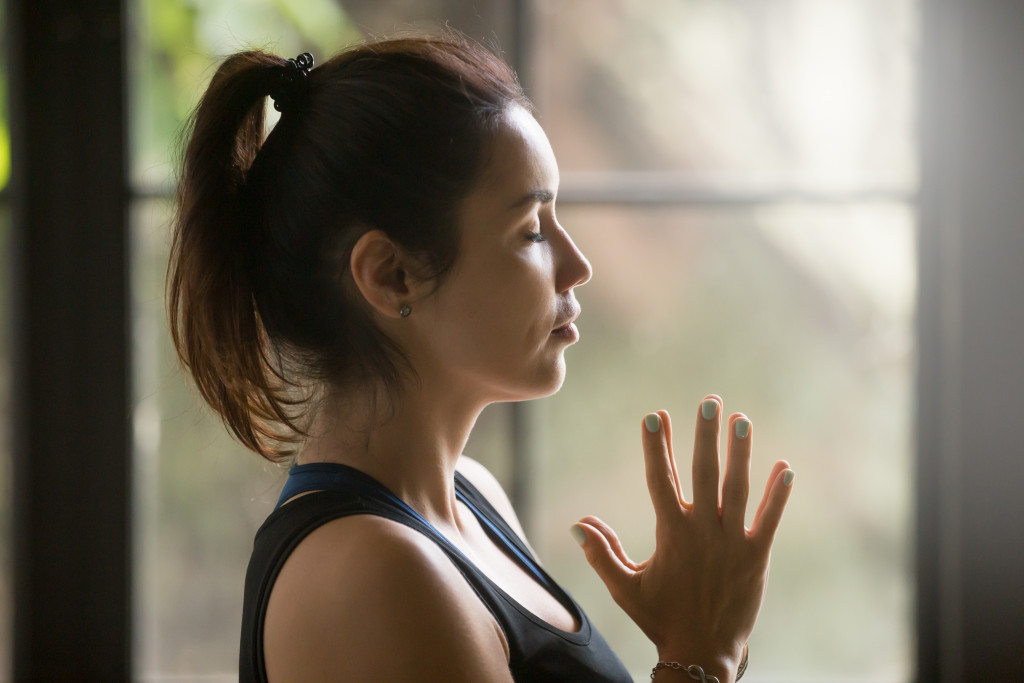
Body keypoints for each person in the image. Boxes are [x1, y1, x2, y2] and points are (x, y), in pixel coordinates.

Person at [167, 33, 794, 683]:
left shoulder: (470, 498)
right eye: (530, 230)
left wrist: (696, 640)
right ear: (390, 276)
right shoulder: (370, 574)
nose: (578, 266)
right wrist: (700, 653)